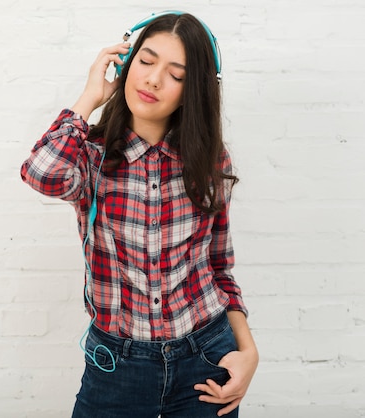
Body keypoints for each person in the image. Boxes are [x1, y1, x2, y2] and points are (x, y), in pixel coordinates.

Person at [20, 11, 258, 418]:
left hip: (205, 356)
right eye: (146, 62)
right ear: (126, 63)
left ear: (192, 91)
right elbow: (41, 173)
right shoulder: (91, 156)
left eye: (176, 75)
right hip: (115, 366)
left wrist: (248, 351)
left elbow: (219, 267)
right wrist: (92, 96)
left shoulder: (209, 160)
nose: (152, 79)